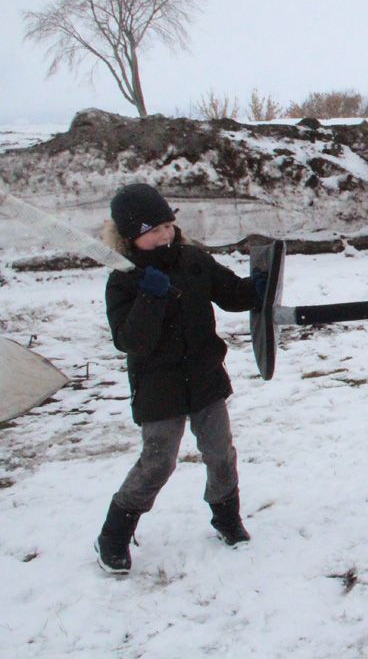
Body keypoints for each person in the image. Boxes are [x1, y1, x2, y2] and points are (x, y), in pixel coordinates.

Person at [95, 183, 264, 575]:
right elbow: (130, 341)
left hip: (205, 376)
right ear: (131, 236)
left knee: (220, 451)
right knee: (158, 463)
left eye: (168, 225)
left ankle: (226, 518)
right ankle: (114, 535)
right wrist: (150, 297)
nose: (165, 235)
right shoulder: (124, 280)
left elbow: (231, 294)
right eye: (153, 230)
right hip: (158, 386)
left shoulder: (193, 261)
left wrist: (256, 288)